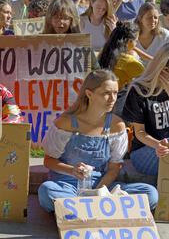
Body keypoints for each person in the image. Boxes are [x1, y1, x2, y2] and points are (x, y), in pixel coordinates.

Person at [38, 69, 158, 213]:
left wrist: (99, 191)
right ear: (89, 94)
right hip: (68, 185)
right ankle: (101, 211)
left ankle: (80, 211)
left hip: (102, 185)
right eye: (106, 93)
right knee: (46, 191)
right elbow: (49, 160)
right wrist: (73, 170)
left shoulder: (117, 125)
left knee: (150, 193)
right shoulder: (65, 123)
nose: (112, 99)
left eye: (115, 93)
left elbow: (114, 168)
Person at [122, 44, 169, 184]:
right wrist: (158, 145)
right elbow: (140, 132)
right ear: (162, 69)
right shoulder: (139, 91)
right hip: (145, 150)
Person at [43, 0, 100, 70]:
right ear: (49, 19)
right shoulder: (38, 42)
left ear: (72, 20)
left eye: (65, 17)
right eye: (56, 17)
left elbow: (97, 71)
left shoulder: (83, 44)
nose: (61, 22)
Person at [98, 21, 144, 90]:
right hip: (119, 96)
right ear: (129, 41)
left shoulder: (104, 53)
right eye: (136, 41)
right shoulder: (130, 62)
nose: (136, 44)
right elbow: (145, 78)